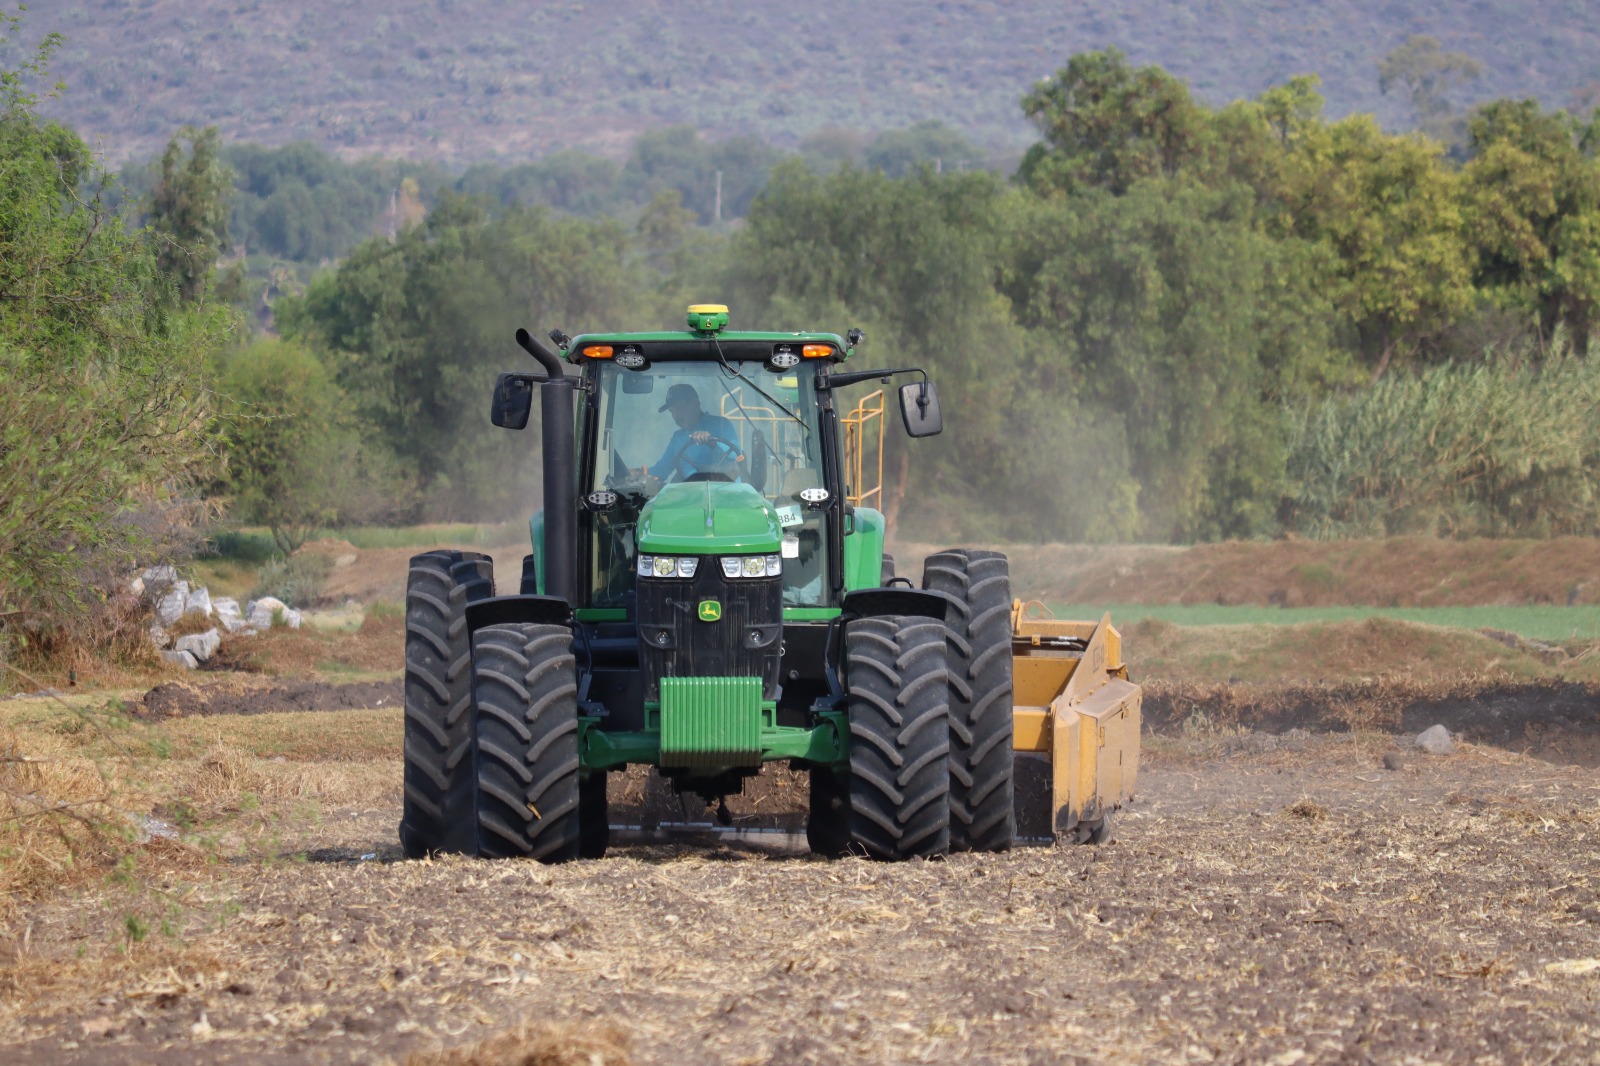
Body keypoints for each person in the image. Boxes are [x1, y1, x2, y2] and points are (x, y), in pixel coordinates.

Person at [637, 383, 741, 481]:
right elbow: (661, 470)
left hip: (725, 493)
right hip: (692, 497)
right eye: (672, 411)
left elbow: (736, 461)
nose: (675, 416)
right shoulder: (677, 438)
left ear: (695, 404)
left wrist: (713, 443)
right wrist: (636, 473)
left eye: (679, 408)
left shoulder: (721, 425)